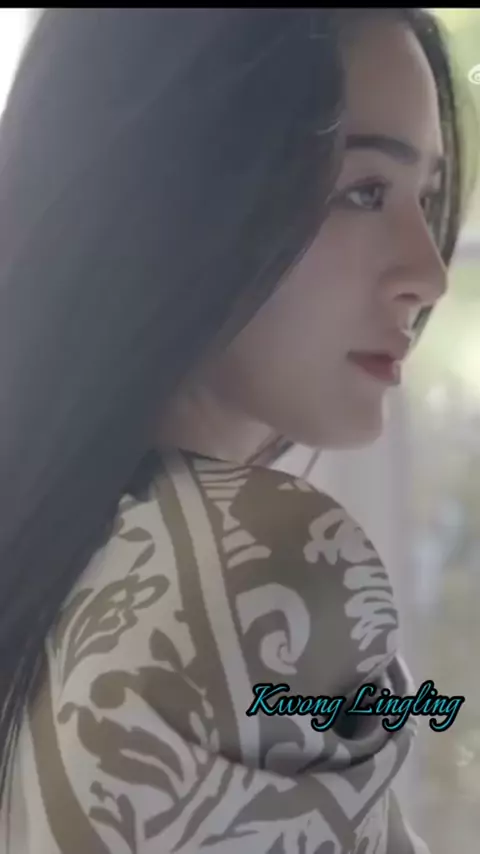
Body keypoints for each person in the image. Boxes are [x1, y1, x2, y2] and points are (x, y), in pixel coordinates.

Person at [0, 8, 468, 853]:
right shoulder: (265, 566)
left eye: (426, 198)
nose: (428, 274)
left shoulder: (63, 555)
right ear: (174, 197)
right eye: (365, 192)